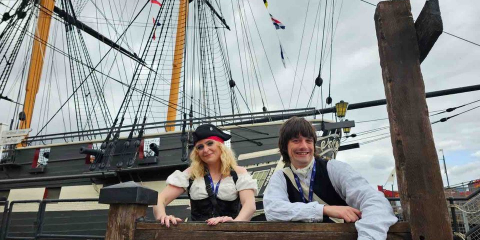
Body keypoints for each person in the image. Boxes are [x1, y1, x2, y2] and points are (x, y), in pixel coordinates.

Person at [263, 117, 397, 240]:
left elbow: (376, 202)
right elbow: (273, 210)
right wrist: (324, 209)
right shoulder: (281, 177)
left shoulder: (334, 169)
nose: (304, 146)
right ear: (285, 146)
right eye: (296, 140)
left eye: (308, 140)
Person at [153, 124, 257, 227]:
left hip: (230, 235)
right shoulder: (190, 174)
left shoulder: (238, 173)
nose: (205, 150)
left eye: (210, 143)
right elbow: (160, 199)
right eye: (200, 147)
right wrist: (162, 216)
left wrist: (234, 224)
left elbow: (249, 205)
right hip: (197, 235)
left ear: (221, 146)